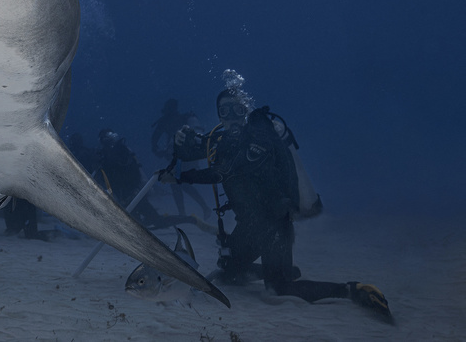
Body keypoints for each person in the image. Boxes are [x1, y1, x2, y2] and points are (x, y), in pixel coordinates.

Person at [161, 89, 392, 320]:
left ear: (245, 112)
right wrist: (180, 140)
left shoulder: (259, 139)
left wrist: (182, 177)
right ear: (219, 115)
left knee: (278, 288)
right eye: (225, 110)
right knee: (229, 270)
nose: (231, 115)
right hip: (249, 227)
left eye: (237, 109)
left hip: (274, 226)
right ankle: (284, 269)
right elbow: (193, 152)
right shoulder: (223, 141)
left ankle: (352, 290)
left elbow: (223, 172)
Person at [150, 98, 210, 218]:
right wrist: (160, 152)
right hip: (183, 157)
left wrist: (159, 152)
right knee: (180, 184)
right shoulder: (181, 118)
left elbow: (154, 140)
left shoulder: (167, 121)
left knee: (178, 184)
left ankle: (186, 212)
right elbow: (155, 140)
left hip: (179, 157)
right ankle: (199, 208)